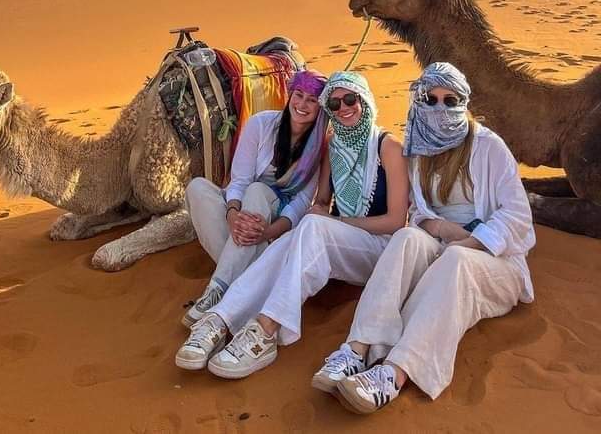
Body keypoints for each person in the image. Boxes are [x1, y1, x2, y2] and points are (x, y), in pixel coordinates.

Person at [313, 62, 535, 415]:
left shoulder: (488, 146)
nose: (439, 108)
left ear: (464, 101)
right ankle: (357, 348)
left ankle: (394, 372)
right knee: (405, 239)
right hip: (445, 244)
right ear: (418, 99)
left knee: (457, 260)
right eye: (430, 99)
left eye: (450, 100)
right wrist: (446, 231)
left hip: (496, 263)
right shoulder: (417, 148)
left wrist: (472, 242)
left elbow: (518, 216)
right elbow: (417, 214)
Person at [175, 71, 409, 377]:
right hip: (340, 242)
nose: (344, 108)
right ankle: (219, 318)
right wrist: (320, 215)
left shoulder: (388, 147)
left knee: (310, 226)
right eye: (335, 104)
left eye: (351, 99)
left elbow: (395, 222)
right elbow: (322, 201)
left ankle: (266, 330)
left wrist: (331, 221)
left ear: (365, 101)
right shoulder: (333, 147)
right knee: (301, 230)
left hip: (379, 250)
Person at [181, 69, 328, 326]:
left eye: (312, 100)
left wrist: (268, 232)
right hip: (243, 222)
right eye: (298, 95)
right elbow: (239, 180)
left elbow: (301, 204)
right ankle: (246, 280)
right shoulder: (261, 124)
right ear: (290, 95)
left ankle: (217, 289)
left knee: (258, 191)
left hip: (274, 228)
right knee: (197, 188)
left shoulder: (319, 146)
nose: (302, 104)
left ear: (320, 107)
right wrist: (233, 216)